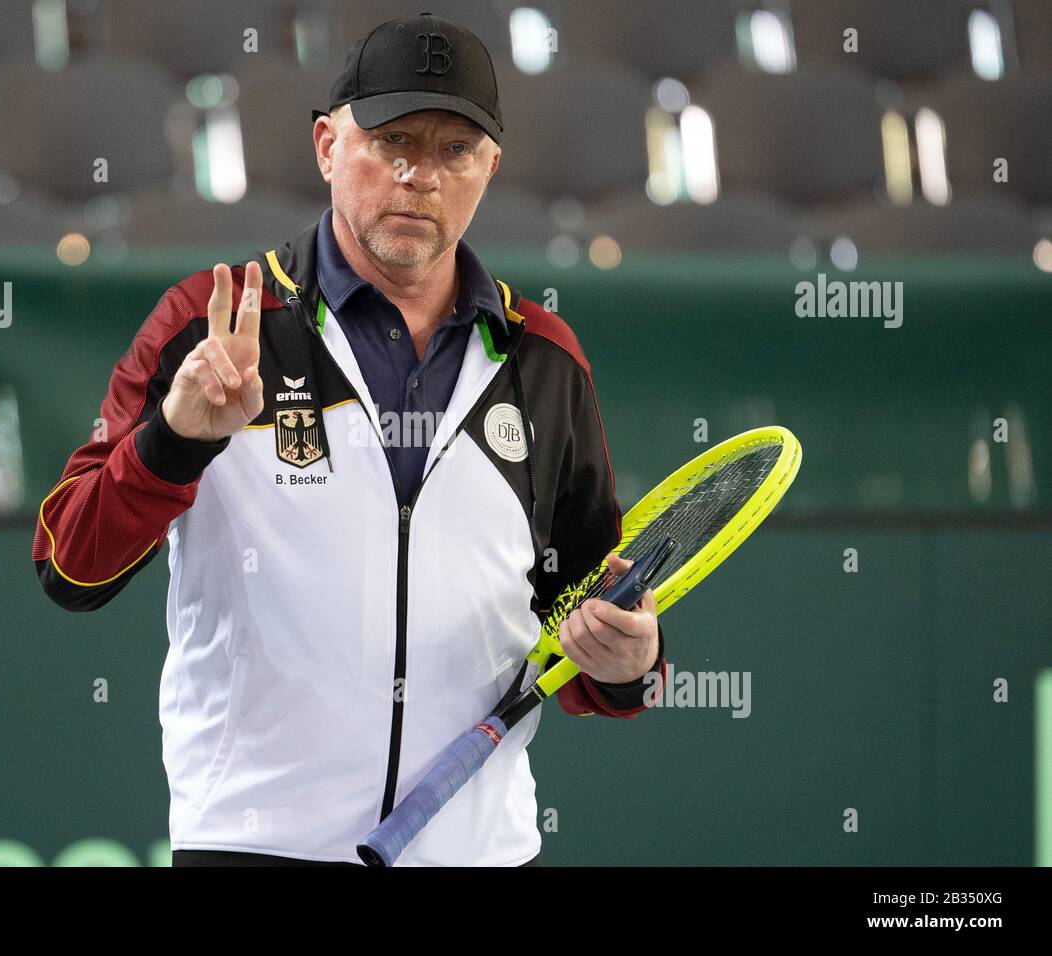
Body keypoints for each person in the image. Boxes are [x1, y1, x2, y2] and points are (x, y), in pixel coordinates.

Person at [34, 12, 666, 866]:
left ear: (491, 169)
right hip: (254, 848)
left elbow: (586, 620)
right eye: (393, 139)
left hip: (480, 853)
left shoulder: (546, 359)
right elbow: (69, 564)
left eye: (455, 151)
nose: (419, 176)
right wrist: (175, 441)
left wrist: (628, 661)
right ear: (329, 145)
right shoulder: (209, 322)